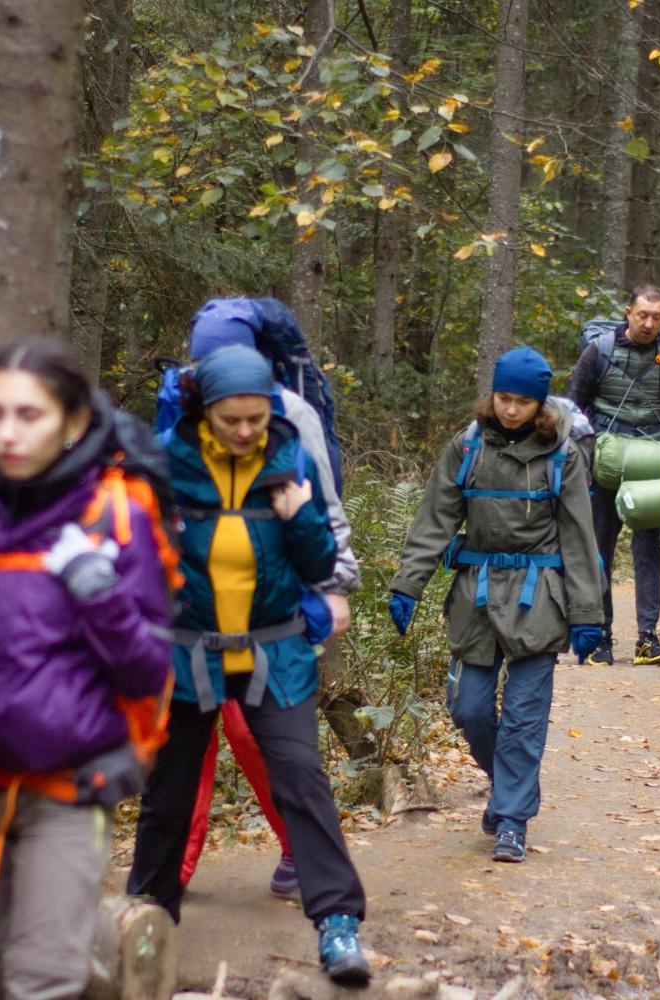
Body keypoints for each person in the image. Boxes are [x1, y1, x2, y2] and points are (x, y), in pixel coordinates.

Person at [0, 340, 175, 998]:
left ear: (72, 422)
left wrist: (100, 594)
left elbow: (147, 672)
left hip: (69, 787)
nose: (8, 433)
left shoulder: (115, 516)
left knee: (44, 977)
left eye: (29, 415)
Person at [126, 345, 370, 985]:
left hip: (274, 651)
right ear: (203, 411)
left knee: (301, 777)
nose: (243, 431)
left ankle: (338, 923)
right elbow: (135, 555)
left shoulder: (289, 457)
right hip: (189, 653)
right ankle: (144, 923)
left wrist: (301, 515)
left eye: (255, 419)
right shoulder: (165, 462)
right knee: (168, 794)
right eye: (230, 419)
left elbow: (320, 565)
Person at [173, 298, 365, 902]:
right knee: (186, 745)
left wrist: (334, 586)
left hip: (272, 602)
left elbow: (322, 503)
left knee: (261, 737)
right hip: (196, 605)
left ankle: (299, 851)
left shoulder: (291, 414)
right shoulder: (180, 404)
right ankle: (172, 866)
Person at [389, 348, 604, 861]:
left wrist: (587, 615)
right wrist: (407, 585)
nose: (511, 409)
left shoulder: (563, 456)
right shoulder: (467, 447)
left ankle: (511, 818)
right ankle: (508, 783)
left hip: (539, 596)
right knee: (469, 709)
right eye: (504, 398)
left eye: (522, 402)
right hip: (476, 595)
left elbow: (579, 539)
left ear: (539, 404)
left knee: (525, 716)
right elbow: (435, 519)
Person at [568, 285, 660, 667]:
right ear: (628, 313)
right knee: (600, 549)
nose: (649, 323)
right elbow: (573, 409)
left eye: (657, 317)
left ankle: (647, 639)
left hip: (652, 465)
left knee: (648, 549)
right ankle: (600, 638)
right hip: (605, 462)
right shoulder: (599, 351)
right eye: (642, 315)